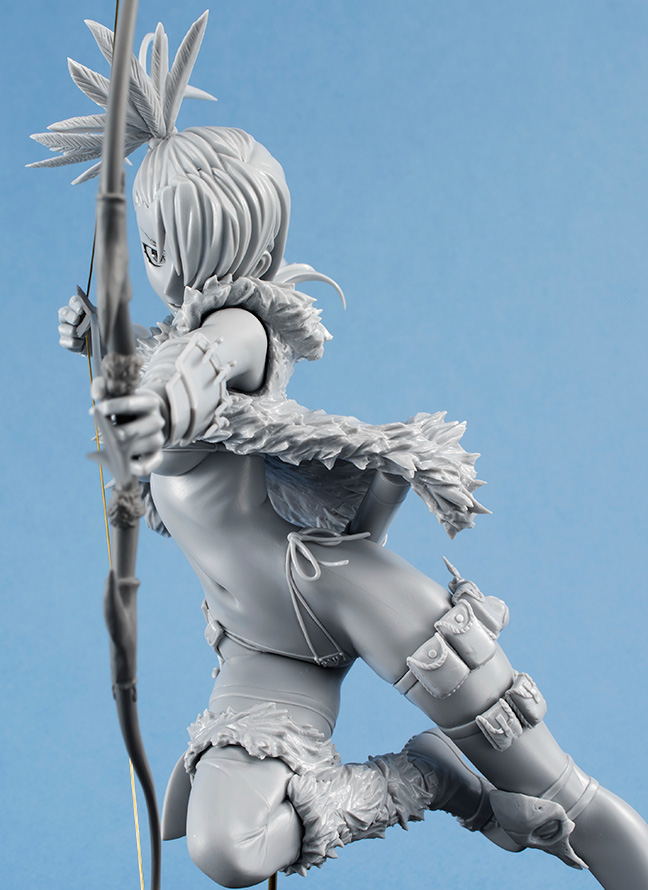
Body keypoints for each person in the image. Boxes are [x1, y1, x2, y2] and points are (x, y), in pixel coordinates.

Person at [35, 13, 648, 889]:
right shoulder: (168, 340)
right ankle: (432, 781)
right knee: (225, 849)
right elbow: (165, 373)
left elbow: (200, 369)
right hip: (265, 649)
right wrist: (105, 345)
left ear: (209, 244)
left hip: (349, 592)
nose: (153, 259)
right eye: (148, 240)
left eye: (162, 239)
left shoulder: (242, 328)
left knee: (565, 801)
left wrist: (158, 407)